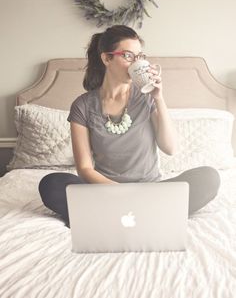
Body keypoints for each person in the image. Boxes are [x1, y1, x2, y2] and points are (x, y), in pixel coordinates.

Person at [39, 25, 220, 226]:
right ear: (107, 58)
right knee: (52, 184)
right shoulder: (83, 106)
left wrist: (158, 97)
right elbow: (84, 168)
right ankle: (150, 215)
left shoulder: (145, 99)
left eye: (139, 56)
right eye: (128, 56)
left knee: (208, 178)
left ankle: (106, 217)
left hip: (150, 191)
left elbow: (170, 148)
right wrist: (122, 193)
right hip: (106, 192)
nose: (137, 63)